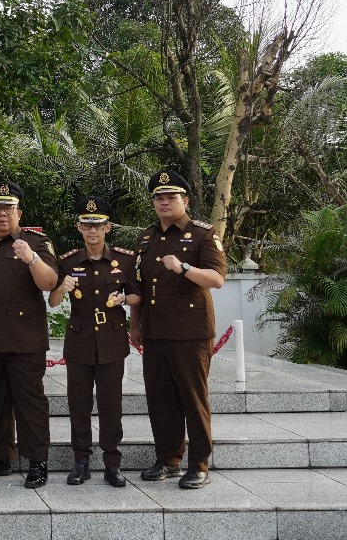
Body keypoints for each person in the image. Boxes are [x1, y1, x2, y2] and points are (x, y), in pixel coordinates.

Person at [133, 170, 227, 490]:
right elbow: (139, 286)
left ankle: (199, 464)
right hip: (155, 329)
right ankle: (168, 459)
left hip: (190, 331)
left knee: (192, 398)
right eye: (158, 198)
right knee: (161, 399)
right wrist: (135, 324)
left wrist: (184, 267)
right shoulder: (146, 238)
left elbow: (216, 279)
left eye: (171, 197)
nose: (164, 202)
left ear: (184, 200)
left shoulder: (203, 234)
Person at [0, 179, 59, 489]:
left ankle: (37, 461)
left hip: (23, 339)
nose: (2, 213)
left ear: (19, 213)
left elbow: (49, 283)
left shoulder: (36, 242)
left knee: (30, 403)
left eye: (8, 208)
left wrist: (30, 257)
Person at [48, 196, 139, 488]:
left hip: (111, 339)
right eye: (87, 225)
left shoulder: (124, 260)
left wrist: (123, 298)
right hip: (80, 340)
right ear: (79, 227)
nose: (92, 231)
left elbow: (138, 295)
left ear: (107, 227)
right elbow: (53, 301)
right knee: (79, 404)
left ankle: (112, 463)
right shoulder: (68, 261)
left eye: (98, 225)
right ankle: (81, 461)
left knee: (111, 404)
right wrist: (62, 287)